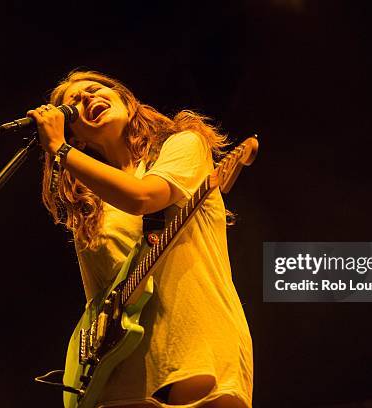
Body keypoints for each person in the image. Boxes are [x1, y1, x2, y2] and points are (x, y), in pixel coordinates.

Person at [27, 70, 253, 408]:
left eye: (94, 90)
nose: (87, 98)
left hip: (193, 337)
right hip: (120, 365)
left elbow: (143, 197)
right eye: (73, 103)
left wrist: (60, 149)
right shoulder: (89, 205)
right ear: (78, 136)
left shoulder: (183, 145)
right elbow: (98, 296)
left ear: (127, 102)